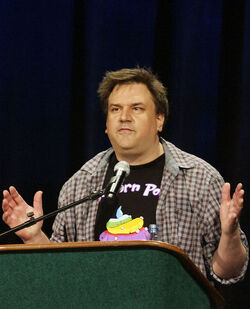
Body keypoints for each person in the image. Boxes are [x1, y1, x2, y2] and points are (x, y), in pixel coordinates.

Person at [2, 67, 248, 284]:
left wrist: (230, 234)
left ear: (159, 119)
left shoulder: (200, 180)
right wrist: (34, 236)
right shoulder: (80, 184)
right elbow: (60, 272)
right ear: (107, 124)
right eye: (115, 109)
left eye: (137, 108)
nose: (124, 117)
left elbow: (228, 272)